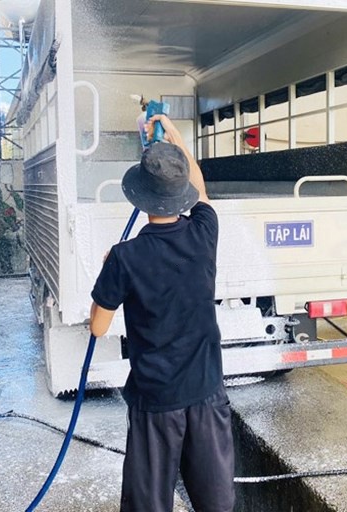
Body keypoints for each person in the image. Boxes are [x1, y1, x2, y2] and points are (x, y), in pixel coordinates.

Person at [89, 114, 235, 512]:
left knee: (148, 504)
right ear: (181, 193)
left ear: (139, 196)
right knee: (216, 503)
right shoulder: (205, 231)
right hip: (207, 393)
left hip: (156, 402)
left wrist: (109, 272)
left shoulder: (125, 257)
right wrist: (178, 139)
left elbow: (98, 327)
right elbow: (201, 191)